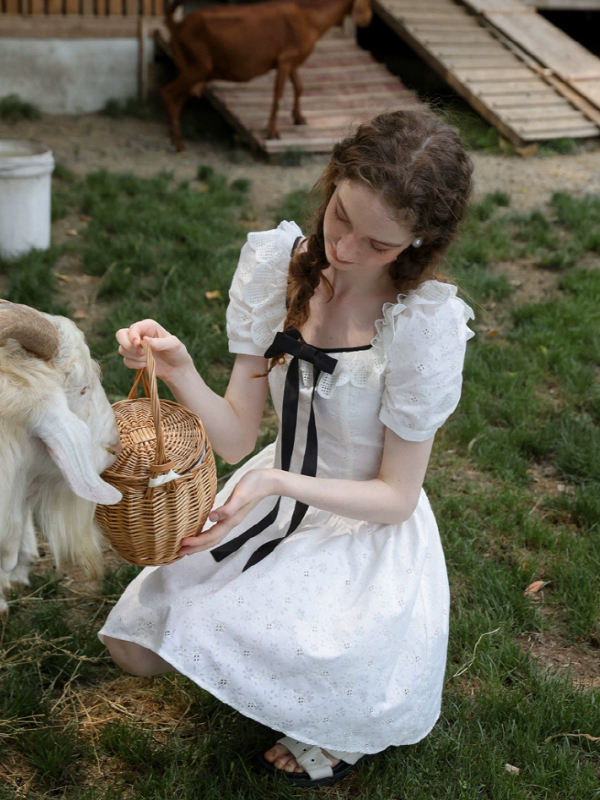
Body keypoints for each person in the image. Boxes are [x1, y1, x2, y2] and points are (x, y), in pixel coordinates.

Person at [100, 109, 475, 789]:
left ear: (417, 243)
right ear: (332, 183)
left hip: (358, 527)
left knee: (318, 666)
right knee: (134, 646)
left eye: (378, 244)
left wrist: (276, 485)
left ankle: (336, 726)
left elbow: (396, 497)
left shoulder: (420, 326)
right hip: (268, 489)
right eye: (340, 217)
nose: (346, 249)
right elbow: (241, 436)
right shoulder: (279, 266)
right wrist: (180, 367)